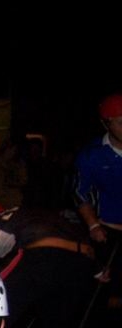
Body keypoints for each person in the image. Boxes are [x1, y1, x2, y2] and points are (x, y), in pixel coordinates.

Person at [75, 93, 122, 287]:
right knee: (105, 286)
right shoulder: (92, 155)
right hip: (109, 233)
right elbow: (80, 193)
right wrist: (93, 225)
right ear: (106, 124)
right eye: (121, 122)